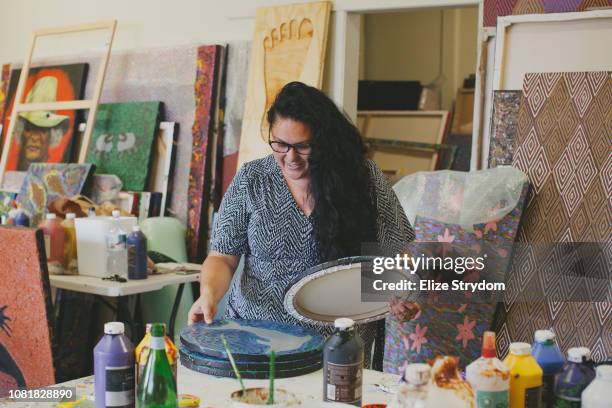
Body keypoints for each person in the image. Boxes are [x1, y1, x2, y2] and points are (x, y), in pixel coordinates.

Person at [188, 81, 415, 366]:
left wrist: (400, 294)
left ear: (324, 140)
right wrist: (208, 295)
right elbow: (222, 256)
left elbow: (398, 253)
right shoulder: (253, 179)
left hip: (338, 341)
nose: (290, 157)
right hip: (258, 336)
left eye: (303, 146)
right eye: (280, 145)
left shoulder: (363, 178)